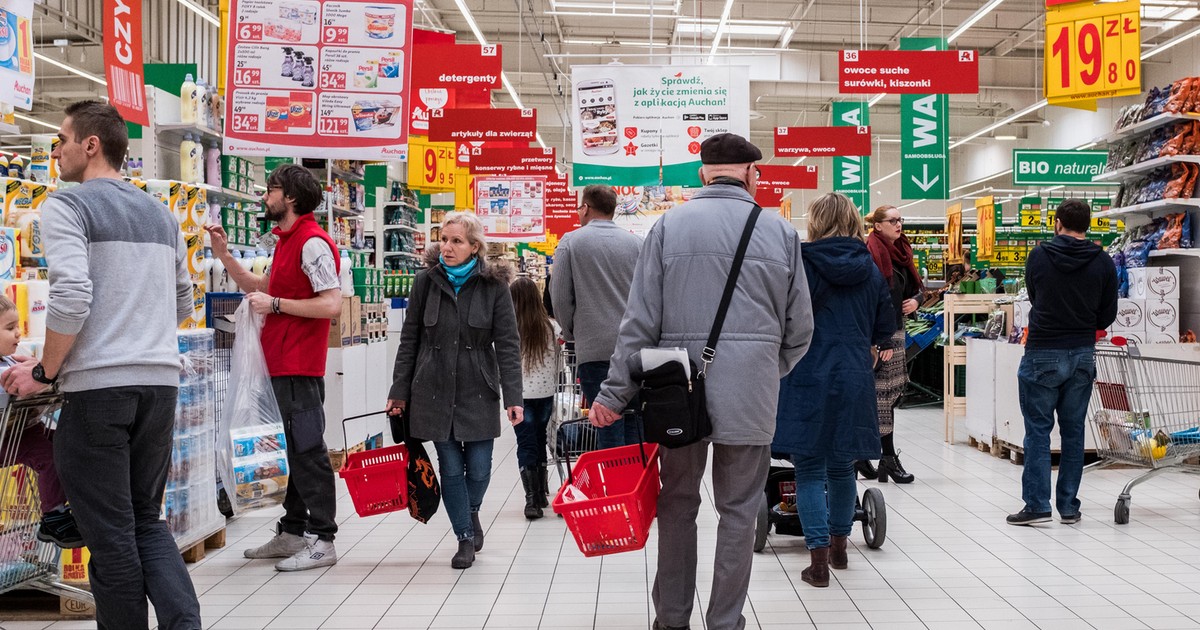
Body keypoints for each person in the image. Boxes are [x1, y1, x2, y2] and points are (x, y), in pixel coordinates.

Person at [590, 133, 813, 630]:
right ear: (753, 174)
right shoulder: (779, 233)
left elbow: (639, 323)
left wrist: (613, 394)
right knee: (738, 512)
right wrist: (761, 368)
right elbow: (801, 329)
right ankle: (726, 622)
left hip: (676, 394)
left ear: (703, 175)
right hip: (751, 396)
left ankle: (671, 618)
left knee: (677, 504)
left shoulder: (668, 226)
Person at [1, 100, 201, 629]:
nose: (56, 150)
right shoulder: (160, 213)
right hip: (159, 386)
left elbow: (71, 294)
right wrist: (135, 327)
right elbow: (182, 300)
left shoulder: (68, 206)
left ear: (91, 145)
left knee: (109, 538)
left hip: (98, 395)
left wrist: (44, 370)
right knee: (145, 523)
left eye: (62, 139)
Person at [206, 164, 343, 571]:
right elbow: (260, 288)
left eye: (272, 191)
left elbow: (331, 304)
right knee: (288, 452)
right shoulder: (285, 242)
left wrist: (278, 306)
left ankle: (324, 538)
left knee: (307, 452)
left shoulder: (313, 243)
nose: (265, 198)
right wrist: (224, 256)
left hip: (299, 368)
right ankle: (292, 531)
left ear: (292, 198)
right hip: (278, 367)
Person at [386, 212, 523, 569]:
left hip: (479, 387)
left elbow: (508, 344)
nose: (446, 247)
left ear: (474, 246)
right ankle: (463, 535)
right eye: (443, 239)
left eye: (456, 241)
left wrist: (514, 397)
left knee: (478, 468)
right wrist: (399, 391)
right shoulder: (425, 282)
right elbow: (409, 340)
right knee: (450, 468)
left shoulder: (493, 286)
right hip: (432, 388)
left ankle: (472, 510)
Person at [773, 193, 896, 588]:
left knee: (808, 469)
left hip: (805, 372)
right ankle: (841, 548)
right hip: (853, 374)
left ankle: (818, 562)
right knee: (843, 466)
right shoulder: (871, 268)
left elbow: (782, 320)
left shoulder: (800, 266)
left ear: (816, 222)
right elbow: (884, 328)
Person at [1008, 199, 1117, 526]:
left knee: (1038, 432)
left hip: (1043, 352)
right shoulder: (1103, 261)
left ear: (1057, 223)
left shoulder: (1039, 256)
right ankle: (1068, 507)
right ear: (1088, 224)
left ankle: (1038, 505)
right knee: (1073, 432)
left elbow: (1035, 295)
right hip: (1082, 352)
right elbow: (1108, 313)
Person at [549, 185, 643, 449]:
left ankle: (614, 486)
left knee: (605, 422)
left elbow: (559, 298)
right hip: (635, 350)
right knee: (635, 421)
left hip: (594, 349)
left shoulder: (571, 242)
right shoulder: (637, 243)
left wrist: (571, 334)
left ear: (586, 208)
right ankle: (637, 485)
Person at [0, 295, 83, 548]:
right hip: (7, 439)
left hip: (25, 431)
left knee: (66, 442)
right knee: (48, 457)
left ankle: (75, 505)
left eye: (18, 327)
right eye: (9, 328)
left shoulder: (12, 360)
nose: (18, 334)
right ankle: (53, 517)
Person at [864, 204, 924, 483]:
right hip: (880, 336)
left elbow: (915, 291)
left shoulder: (902, 254)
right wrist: (880, 338)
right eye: (892, 221)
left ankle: (862, 455)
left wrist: (917, 301)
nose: (899, 225)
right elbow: (875, 298)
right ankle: (885, 457)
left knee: (890, 395)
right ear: (877, 226)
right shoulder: (871, 253)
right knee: (882, 397)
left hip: (896, 332)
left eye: (901, 220)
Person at [510, 277, 561, 519]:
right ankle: (541, 492)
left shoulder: (510, 330)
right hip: (546, 394)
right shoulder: (551, 327)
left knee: (526, 443)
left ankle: (531, 500)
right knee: (540, 439)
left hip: (520, 397)